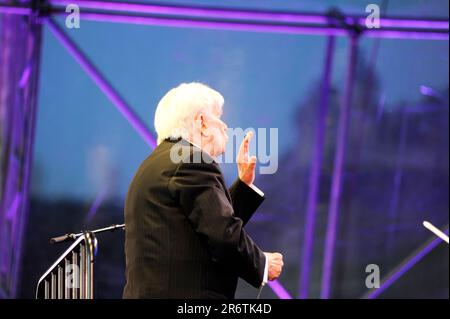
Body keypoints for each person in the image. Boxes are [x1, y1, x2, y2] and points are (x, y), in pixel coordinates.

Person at [123, 82, 283, 299]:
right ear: (202, 123)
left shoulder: (159, 162)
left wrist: (243, 185)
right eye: (219, 117)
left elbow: (208, 221)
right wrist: (262, 264)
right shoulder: (191, 160)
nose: (226, 127)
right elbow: (222, 235)